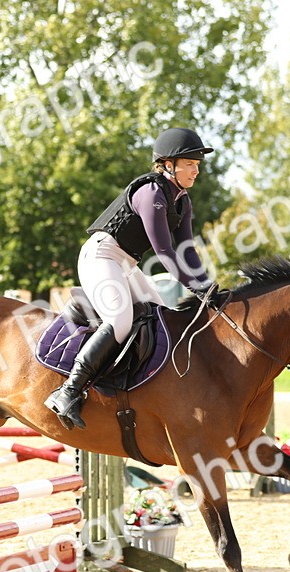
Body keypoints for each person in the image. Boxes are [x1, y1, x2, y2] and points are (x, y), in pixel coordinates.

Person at [45, 127, 215, 430]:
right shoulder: (151, 193)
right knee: (120, 320)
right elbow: (164, 251)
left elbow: (187, 251)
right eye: (190, 164)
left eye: (197, 164)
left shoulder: (182, 200)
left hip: (126, 264)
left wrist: (207, 286)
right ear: (167, 164)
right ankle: (68, 391)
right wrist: (195, 287)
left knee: (163, 315)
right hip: (101, 255)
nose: (196, 170)